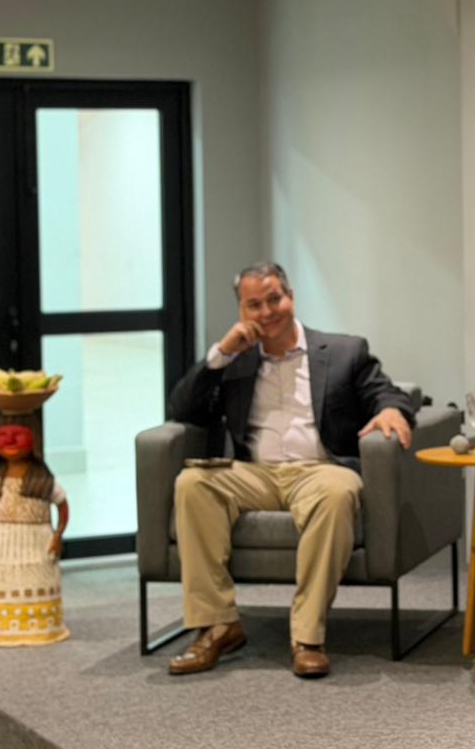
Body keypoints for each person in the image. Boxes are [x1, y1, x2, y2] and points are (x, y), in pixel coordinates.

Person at [165, 261, 414, 678]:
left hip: (320, 469)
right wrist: (220, 354)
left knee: (338, 493)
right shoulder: (237, 359)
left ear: (291, 297)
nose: (267, 312)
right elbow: (183, 409)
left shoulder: (343, 351)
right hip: (255, 474)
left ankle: (307, 635)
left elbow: (385, 392)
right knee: (193, 483)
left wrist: (391, 409)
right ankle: (218, 624)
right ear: (243, 311)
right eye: (254, 305)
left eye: (274, 299)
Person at [0, 416, 70, 646]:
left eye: (18, 434)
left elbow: (63, 506)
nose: (11, 441)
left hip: (37, 542)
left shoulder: (43, 481)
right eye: (3, 435)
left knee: (37, 580)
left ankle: (42, 627)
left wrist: (57, 535)